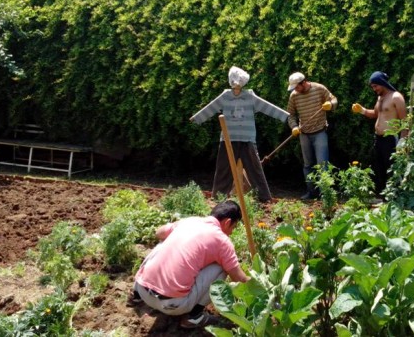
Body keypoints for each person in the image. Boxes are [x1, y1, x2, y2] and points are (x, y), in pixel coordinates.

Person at [133, 200, 249, 329]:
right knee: (221, 267)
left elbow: (159, 233)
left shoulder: (190, 221)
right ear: (227, 222)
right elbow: (238, 278)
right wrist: (264, 289)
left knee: (164, 243)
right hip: (172, 306)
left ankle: (135, 296)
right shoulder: (222, 241)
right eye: (233, 227)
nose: (232, 232)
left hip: (143, 292)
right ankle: (194, 317)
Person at [190, 66, 289, 202]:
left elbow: (267, 107)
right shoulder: (225, 96)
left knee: (255, 169)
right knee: (224, 169)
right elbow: (211, 107)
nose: (237, 86)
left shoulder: (250, 96)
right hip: (228, 139)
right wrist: (197, 118)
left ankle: (264, 198)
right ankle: (219, 197)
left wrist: (285, 116)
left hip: (247, 138)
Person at [352, 71, 407, 195]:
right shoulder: (380, 98)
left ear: (382, 83)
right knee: (380, 168)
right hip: (379, 138)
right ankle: (383, 197)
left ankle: (395, 197)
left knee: (392, 169)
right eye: (372, 87)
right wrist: (362, 110)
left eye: (375, 86)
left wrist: (403, 140)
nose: (374, 89)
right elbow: (376, 115)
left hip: (391, 138)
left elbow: (405, 120)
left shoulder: (396, 97)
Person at [287, 72, 338, 200]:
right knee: (308, 165)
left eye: (297, 87)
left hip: (320, 132)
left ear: (304, 82)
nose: (295, 90)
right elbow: (291, 114)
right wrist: (294, 126)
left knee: (322, 164)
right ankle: (311, 193)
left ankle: (325, 194)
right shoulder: (294, 96)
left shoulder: (319, 89)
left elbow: (334, 99)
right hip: (304, 134)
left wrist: (330, 105)